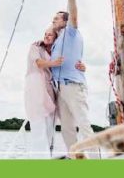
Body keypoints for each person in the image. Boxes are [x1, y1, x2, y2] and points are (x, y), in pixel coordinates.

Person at [24, 26, 85, 156]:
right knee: (39, 132)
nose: (46, 36)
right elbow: (39, 63)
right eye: (45, 34)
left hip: (51, 95)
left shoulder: (56, 53)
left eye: (50, 35)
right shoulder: (35, 47)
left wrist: (82, 67)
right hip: (37, 93)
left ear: (56, 39)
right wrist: (54, 63)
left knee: (49, 133)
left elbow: (69, 68)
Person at [50, 0, 94, 153]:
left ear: (65, 21)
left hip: (73, 86)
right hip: (60, 89)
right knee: (67, 129)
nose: (53, 20)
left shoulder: (71, 32)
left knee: (83, 125)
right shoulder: (57, 39)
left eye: (57, 18)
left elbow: (74, 15)